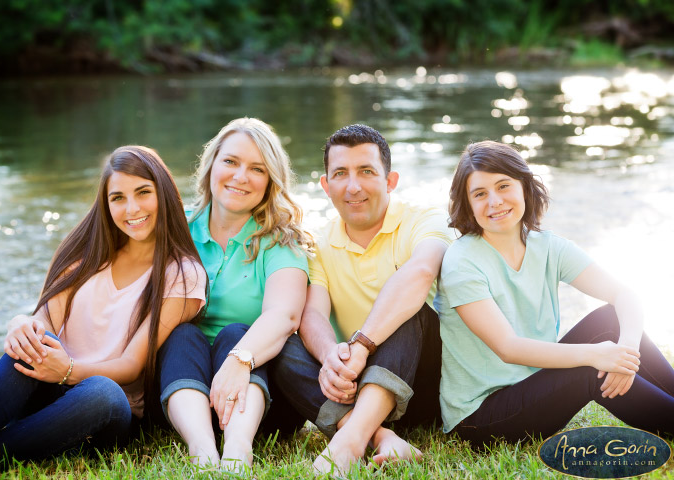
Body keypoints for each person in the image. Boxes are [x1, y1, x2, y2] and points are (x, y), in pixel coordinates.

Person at [0, 146, 207, 473]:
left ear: (164, 193)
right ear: (105, 203)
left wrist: (69, 370)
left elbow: (130, 366)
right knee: (32, 340)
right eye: (118, 198)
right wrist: (20, 323)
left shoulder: (182, 275)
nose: (132, 208)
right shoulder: (86, 252)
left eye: (143, 192)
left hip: (108, 408)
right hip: (47, 385)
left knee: (103, 392)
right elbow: (44, 319)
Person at [435, 140, 674, 448]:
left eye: (503, 186)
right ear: (467, 204)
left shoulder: (547, 246)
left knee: (610, 319)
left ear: (524, 186)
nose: (494, 201)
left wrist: (625, 352)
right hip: (481, 417)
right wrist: (598, 354)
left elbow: (624, 294)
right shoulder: (462, 261)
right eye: (480, 194)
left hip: (536, 389)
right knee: (589, 368)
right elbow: (508, 348)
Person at [271, 124, 451, 475]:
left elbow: (421, 273)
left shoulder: (423, 219)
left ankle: (351, 441)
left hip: (422, 389)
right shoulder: (318, 244)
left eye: (366, 172)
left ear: (390, 180)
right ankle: (380, 436)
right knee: (283, 347)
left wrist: (363, 345)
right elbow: (312, 314)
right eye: (340, 174)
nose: (353, 187)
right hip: (353, 386)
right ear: (325, 185)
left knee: (409, 310)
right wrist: (330, 359)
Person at [156, 118, 310, 472]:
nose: (241, 176)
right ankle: (203, 452)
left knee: (236, 333)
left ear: (270, 180)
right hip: (182, 394)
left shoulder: (281, 241)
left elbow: (284, 315)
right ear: (211, 165)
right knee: (182, 333)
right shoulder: (177, 229)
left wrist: (240, 360)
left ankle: (238, 452)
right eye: (230, 162)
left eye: (257, 169)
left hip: (259, 402)